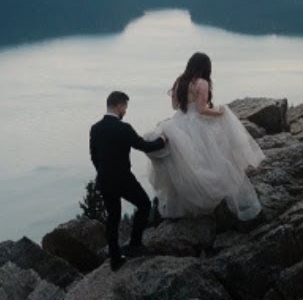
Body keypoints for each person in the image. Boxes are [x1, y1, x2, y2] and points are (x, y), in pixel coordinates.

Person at [148, 52, 266, 221]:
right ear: (205, 67)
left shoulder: (179, 82)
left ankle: (186, 205)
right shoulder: (201, 83)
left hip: (178, 123)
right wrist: (220, 112)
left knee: (186, 165)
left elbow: (175, 106)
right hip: (197, 124)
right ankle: (216, 198)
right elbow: (202, 110)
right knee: (211, 160)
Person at [88, 90, 167, 271]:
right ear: (119, 106)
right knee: (144, 205)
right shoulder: (124, 128)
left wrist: (103, 172)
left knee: (113, 218)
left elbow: (94, 156)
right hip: (123, 179)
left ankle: (115, 259)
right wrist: (162, 141)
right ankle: (135, 244)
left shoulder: (95, 128)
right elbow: (144, 146)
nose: (125, 111)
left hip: (105, 180)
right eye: (125, 107)